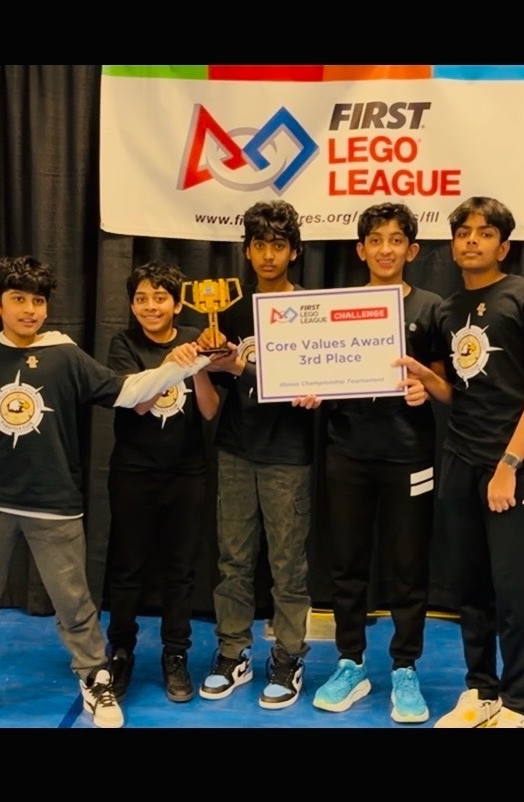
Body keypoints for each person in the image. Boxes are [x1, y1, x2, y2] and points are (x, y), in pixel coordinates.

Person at [0, 255, 210, 729]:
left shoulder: (66, 355)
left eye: (37, 301)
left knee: (74, 602)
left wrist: (181, 365)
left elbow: (128, 392)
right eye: (18, 300)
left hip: (55, 505)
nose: (29, 310)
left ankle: (95, 677)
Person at [398, 197, 524, 728]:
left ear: (503, 246)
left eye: (485, 233)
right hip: (460, 460)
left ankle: (517, 705)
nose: (472, 240)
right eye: (463, 232)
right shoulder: (447, 310)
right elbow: (457, 393)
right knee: (470, 587)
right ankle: (481, 690)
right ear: (452, 244)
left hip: (513, 466)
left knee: (513, 590)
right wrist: (427, 378)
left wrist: (508, 464)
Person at [311, 202, 444, 724]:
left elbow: (446, 385)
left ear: (412, 249)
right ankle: (351, 662)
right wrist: (308, 388)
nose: (386, 249)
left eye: (396, 240)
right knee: (346, 564)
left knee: (408, 567)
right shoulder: (336, 307)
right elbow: (316, 370)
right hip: (347, 453)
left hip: (408, 455)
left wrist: (426, 387)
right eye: (376, 240)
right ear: (360, 249)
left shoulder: (431, 307)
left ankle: (405, 667)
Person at [196, 200, 319, 710]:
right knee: (233, 558)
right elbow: (217, 389)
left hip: (288, 452)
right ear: (247, 251)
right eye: (259, 245)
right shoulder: (229, 311)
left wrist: (240, 368)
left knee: (288, 562)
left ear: (294, 252)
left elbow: (312, 378)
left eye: (278, 245)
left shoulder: (311, 310)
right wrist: (207, 360)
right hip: (235, 448)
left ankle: (288, 654)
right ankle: (233, 651)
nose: (268, 255)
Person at [104, 261, 220, 704]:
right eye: (141, 299)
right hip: (134, 471)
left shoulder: (194, 337)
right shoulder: (123, 344)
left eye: (159, 298)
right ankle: (121, 651)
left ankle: (176, 654)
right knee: (127, 567)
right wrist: (172, 365)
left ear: (176, 304)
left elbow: (209, 410)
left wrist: (201, 365)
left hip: (187, 472)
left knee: (181, 570)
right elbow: (136, 404)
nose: (150, 306)